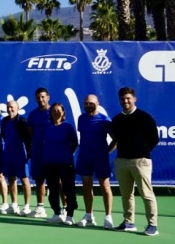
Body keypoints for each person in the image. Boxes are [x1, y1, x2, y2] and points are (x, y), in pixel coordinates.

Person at [111, 87, 159, 235]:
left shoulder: (145, 117)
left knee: (146, 194)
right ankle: (129, 222)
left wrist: (142, 152)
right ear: (119, 100)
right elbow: (116, 139)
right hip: (122, 162)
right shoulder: (117, 119)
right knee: (126, 195)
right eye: (122, 99)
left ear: (134, 99)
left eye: (128, 98)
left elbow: (154, 139)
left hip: (141, 162)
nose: (125, 101)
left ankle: (152, 225)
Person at [76, 94, 115, 229]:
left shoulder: (105, 120)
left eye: (91, 103)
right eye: (86, 103)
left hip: (100, 158)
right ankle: (89, 215)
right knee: (86, 186)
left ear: (97, 103)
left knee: (105, 186)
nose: (88, 105)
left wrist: (106, 152)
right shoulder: (81, 119)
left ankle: (108, 217)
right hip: (84, 157)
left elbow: (115, 139)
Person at [42, 103, 78, 225]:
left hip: (65, 163)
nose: (56, 112)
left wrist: (66, 154)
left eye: (58, 110)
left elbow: (74, 143)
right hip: (49, 163)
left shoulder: (68, 127)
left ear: (63, 112)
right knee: (53, 190)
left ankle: (69, 215)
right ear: (50, 113)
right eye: (53, 111)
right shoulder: (47, 127)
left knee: (68, 189)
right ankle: (57, 213)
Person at [1, 99, 33, 216]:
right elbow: (4, 136)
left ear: (18, 108)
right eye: (8, 107)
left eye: (12, 107)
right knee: (11, 180)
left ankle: (27, 207)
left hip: (21, 154)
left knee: (24, 180)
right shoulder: (4, 121)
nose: (10, 109)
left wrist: (28, 153)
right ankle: (14, 205)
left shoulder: (22, 122)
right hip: (8, 154)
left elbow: (28, 139)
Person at [26, 87, 52, 217]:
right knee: (39, 180)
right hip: (38, 152)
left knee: (58, 181)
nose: (40, 99)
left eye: (43, 97)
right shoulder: (32, 114)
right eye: (38, 97)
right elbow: (31, 132)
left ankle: (64, 210)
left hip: (53, 152)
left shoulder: (54, 111)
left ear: (48, 97)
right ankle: (40, 208)